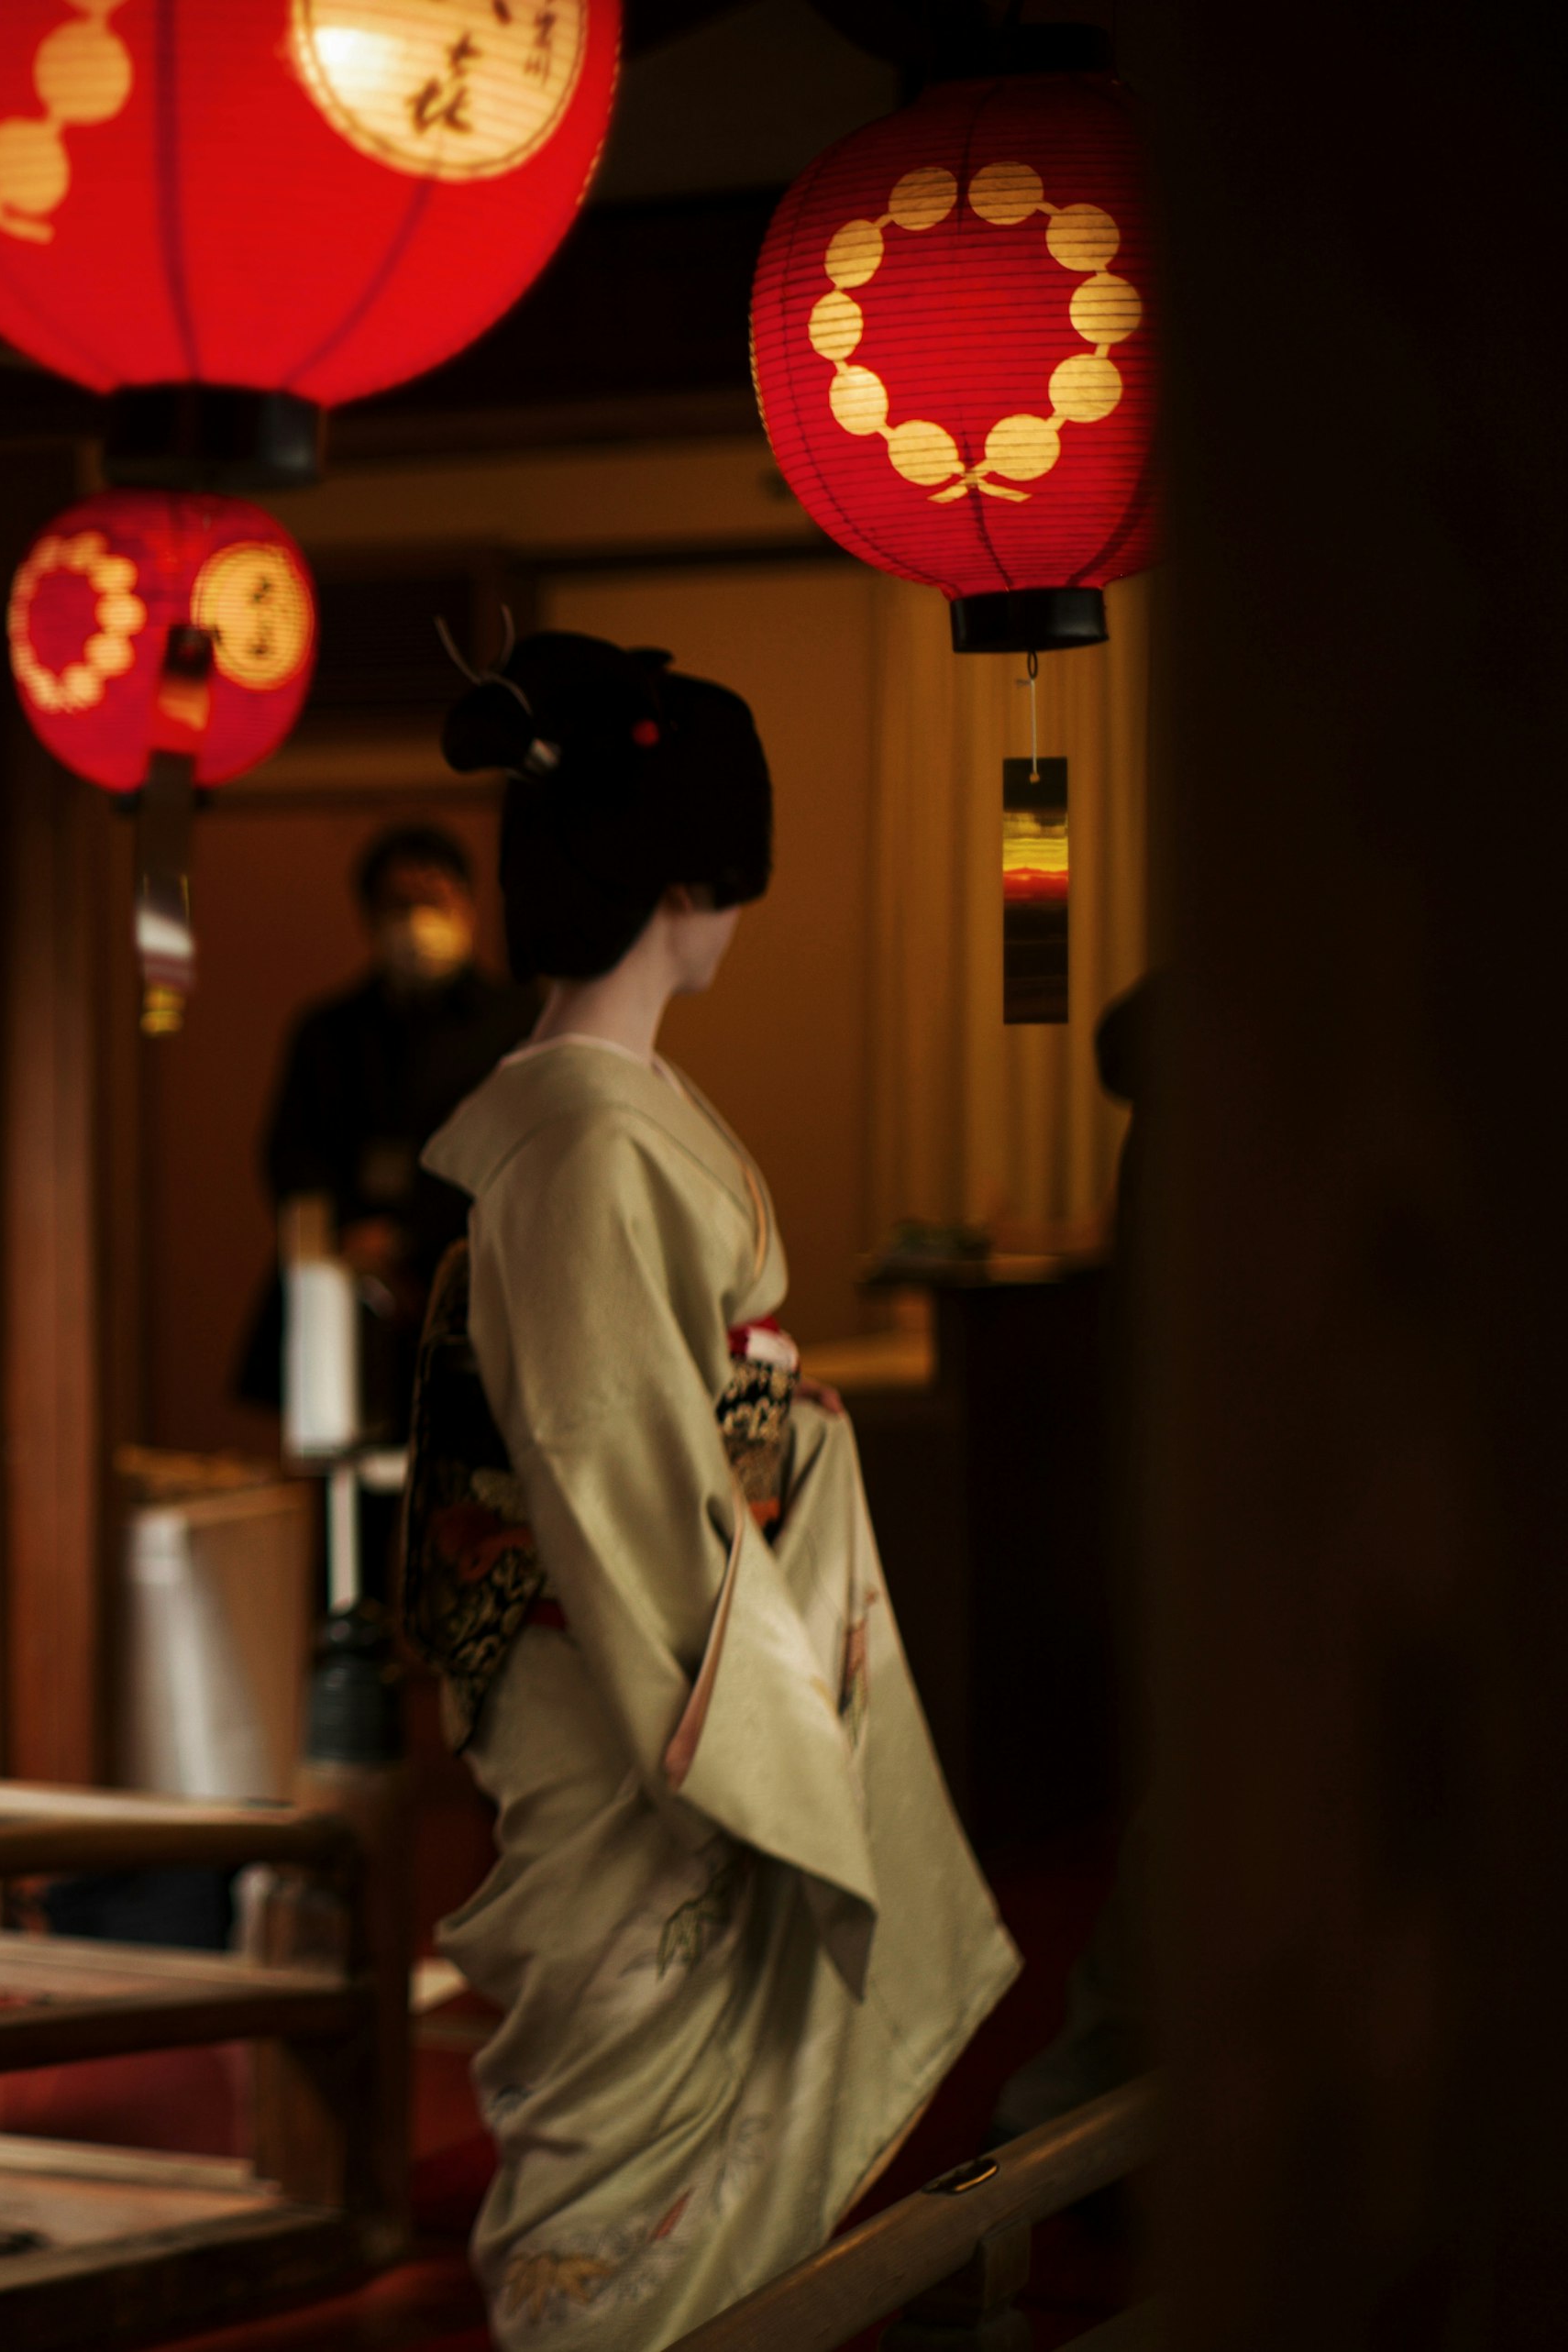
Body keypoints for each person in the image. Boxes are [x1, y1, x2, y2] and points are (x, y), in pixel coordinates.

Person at [403, 633, 1014, 2348]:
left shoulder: (609, 1115)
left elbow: (653, 1409)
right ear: (692, 874)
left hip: (635, 1647)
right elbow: (607, 1460)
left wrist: (767, 1415)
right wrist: (741, 1715)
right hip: (635, 1705)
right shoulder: (588, 1140)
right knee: (624, 2176)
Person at [237, 823, 538, 1442]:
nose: (419, 919)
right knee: (344, 1485)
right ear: (370, 916)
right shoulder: (328, 1031)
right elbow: (291, 1152)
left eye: (436, 898)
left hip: (471, 1286)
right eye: (400, 903)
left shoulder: (518, 1022)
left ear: (468, 905)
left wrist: (421, 1241)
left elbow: (526, 1155)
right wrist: (352, 1232)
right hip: (348, 1292)